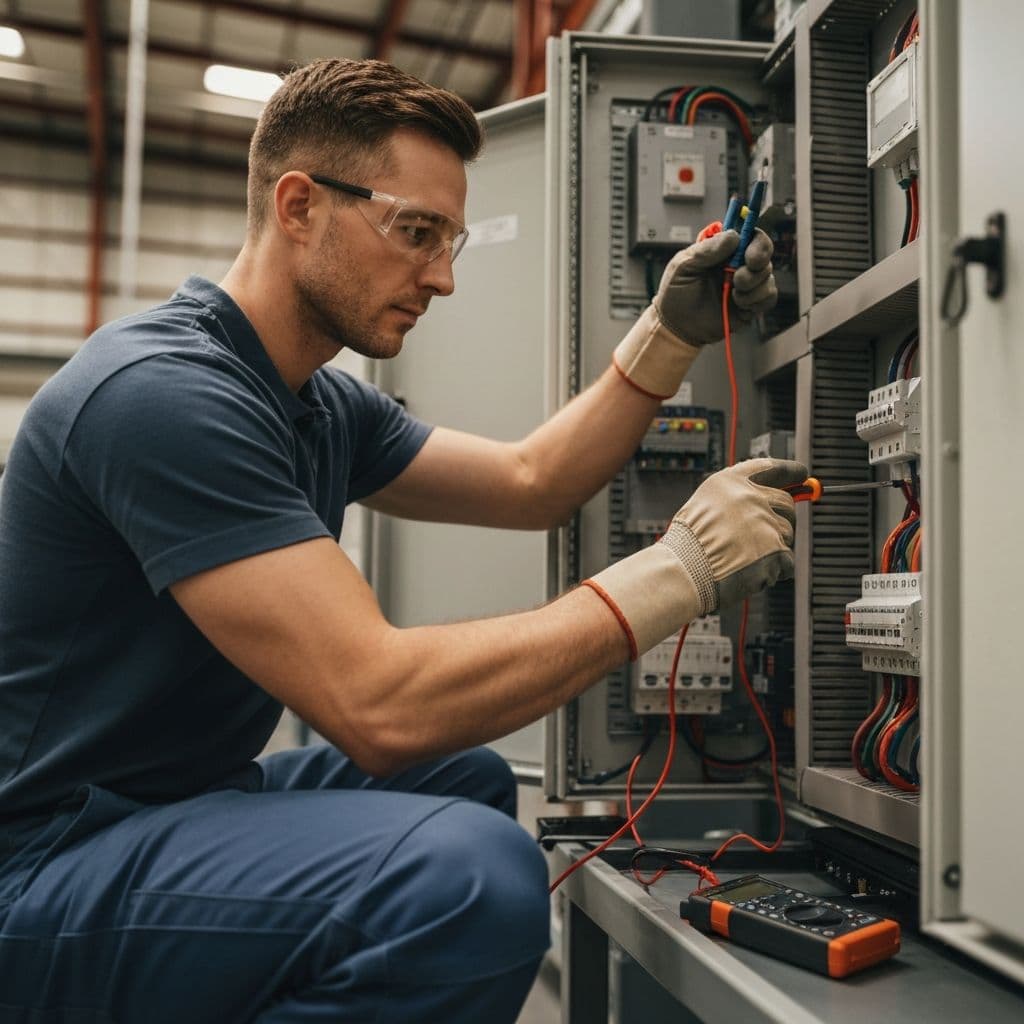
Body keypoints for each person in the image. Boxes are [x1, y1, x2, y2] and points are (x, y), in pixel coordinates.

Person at [0, 58, 804, 1023]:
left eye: (448, 240)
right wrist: (681, 572)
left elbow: (533, 482)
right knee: (468, 880)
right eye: (415, 232)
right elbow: (378, 704)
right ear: (299, 206)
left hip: (161, 803)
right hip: (42, 860)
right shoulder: (161, 393)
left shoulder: (315, 405)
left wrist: (668, 332)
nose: (443, 278)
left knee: (461, 783)